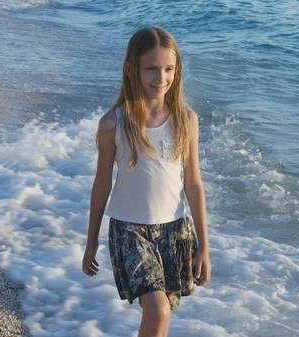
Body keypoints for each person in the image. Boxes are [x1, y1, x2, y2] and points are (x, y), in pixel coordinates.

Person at [82, 26, 211, 337]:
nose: (161, 78)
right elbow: (102, 185)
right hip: (129, 230)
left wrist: (204, 246)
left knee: (163, 315)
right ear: (131, 70)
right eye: (151, 69)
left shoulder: (186, 119)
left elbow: (193, 183)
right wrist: (90, 244)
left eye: (168, 69)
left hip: (175, 230)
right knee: (158, 310)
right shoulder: (114, 123)